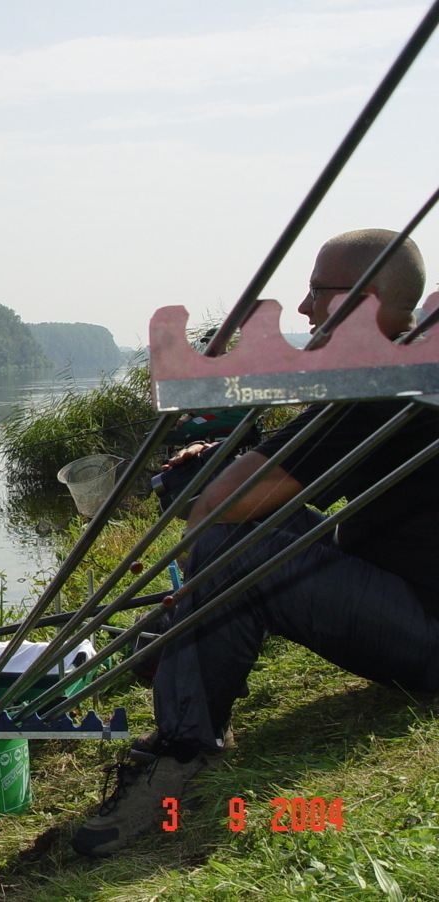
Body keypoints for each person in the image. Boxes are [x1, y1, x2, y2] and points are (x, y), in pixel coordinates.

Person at [72, 229, 439, 858]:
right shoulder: (414, 364)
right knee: (231, 518)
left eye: (317, 292)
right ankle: (184, 653)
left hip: (428, 634)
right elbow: (301, 467)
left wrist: (185, 593)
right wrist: (231, 458)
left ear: (361, 299)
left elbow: (224, 504)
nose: (302, 309)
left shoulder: (386, 385)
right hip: (412, 601)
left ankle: (183, 748)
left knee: (233, 540)